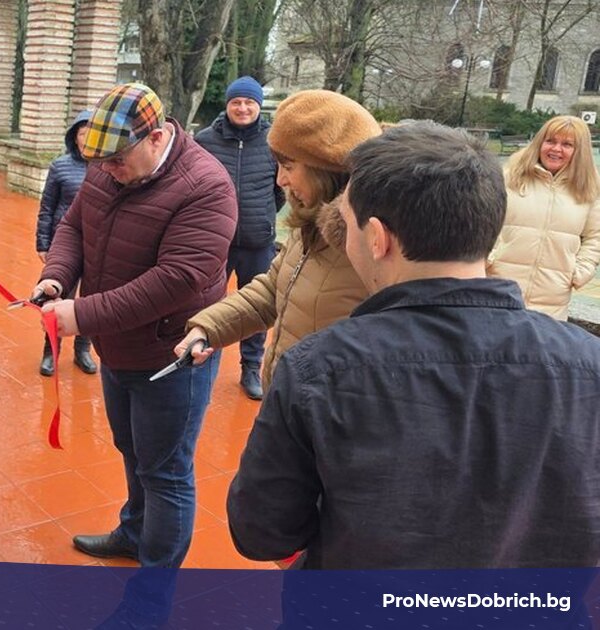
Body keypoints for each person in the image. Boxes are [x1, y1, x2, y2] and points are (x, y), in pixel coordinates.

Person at [227, 121, 600, 569]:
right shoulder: (588, 364)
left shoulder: (317, 369)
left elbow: (262, 531)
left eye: (346, 223)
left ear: (377, 238)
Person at [35, 83, 237, 568]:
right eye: (99, 162)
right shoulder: (110, 166)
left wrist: (81, 315)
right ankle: (134, 533)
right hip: (118, 347)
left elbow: (176, 280)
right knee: (132, 449)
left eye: (116, 161)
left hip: (171, 357)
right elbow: (74, 226)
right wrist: (56, 277)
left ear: (157, 137)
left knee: (165, 470)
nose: (106, 170)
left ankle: (156, 578)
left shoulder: (207, 187)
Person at [176, 90, 380, 392]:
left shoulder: (373, 249)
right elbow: (273, 289)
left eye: (288, 167)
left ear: (325, 171)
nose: (280, 180)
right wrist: (208, 327)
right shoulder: (309, 224)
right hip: (289, 400)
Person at [193, 76, 285, 400]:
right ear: (227, 105)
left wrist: (261, 216)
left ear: (258, 105)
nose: (242, 108)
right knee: (206, 300)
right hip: (216, 240)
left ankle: (251, 366)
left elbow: (279, 190)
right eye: (236, 102)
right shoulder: (206, 140)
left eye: (249, 102)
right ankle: (199, 355)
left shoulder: (274, 141)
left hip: (258, 242)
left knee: (257, 308)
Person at [488, 115, 600, 319]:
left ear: (580, 151)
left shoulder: (590, 188)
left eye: (567, 144)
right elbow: (485, 221)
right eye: (550, 141)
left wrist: (580, 270)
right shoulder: (510, 176)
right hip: (498, 290)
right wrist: (489, 257)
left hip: (552, 302)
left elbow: (595, 236)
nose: (556, 149)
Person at [35, 108, 97, 377]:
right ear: (74, 137)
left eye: (92, 133)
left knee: (92, 301)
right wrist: (43, 243)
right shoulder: (60, 166)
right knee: (58, 298)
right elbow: (47, 207)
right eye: (83, 133)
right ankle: (51, 350)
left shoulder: (108, 166)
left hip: (97, 245)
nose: (87, 138)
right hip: (67, 244)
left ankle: (83, 350)